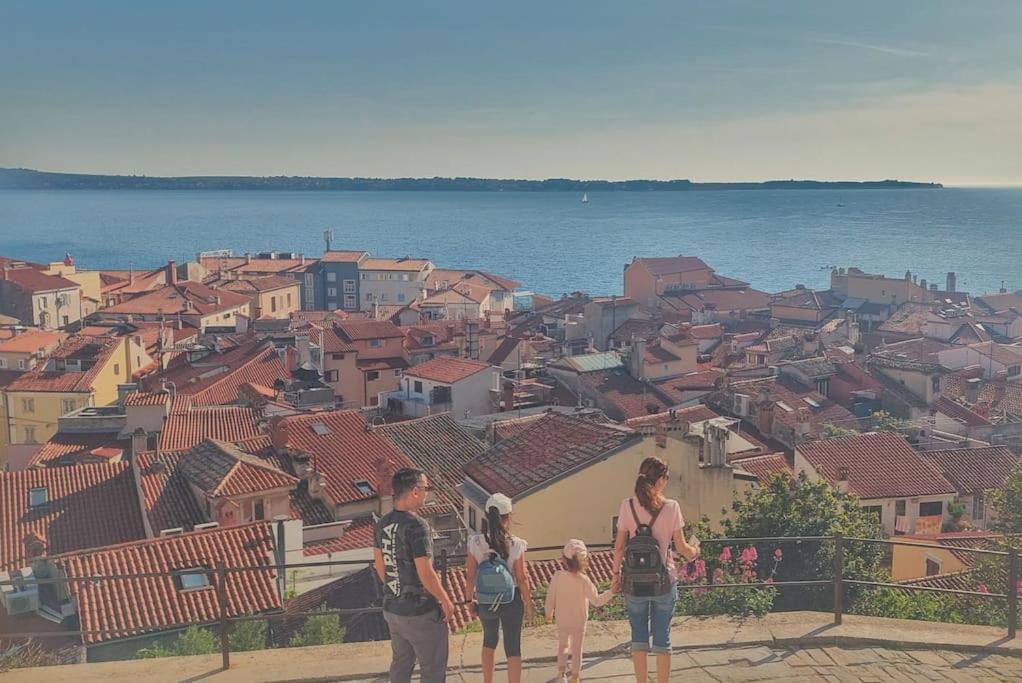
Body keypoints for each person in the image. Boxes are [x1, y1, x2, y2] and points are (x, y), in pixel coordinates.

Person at [611, 456, 700, 683]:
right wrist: (695, 550)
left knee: (638, 635)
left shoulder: (627, 505)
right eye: (666, 478)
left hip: (633, 581)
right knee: (662, 636)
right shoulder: (671, 507)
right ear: (660, 480)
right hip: (664, 581)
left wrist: (615, 576)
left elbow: (619, 546)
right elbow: (681, 548)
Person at [373, 468, 456, 683]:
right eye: (426, 488)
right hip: (420, 612)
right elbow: (425, 571)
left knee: (401, 664)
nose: (428, 492)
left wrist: (395, 590)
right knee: (432, 670)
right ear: (414, 491)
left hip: (393, 609)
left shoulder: (382, 523)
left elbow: (379, 565)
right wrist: (444, 599)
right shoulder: (417, 526)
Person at [465, 493, 533, 683]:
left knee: (489, 641)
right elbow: (521, 578)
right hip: (511, 600)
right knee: (513, 647)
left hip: (486, 600)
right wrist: (528, 603)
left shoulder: (476, 542)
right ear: (509, 517)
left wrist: (469, 601)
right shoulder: (516, 544)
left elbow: (470, 576)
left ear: (487, 515)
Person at [545, 539, 619, 683]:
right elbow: (596, 600)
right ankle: (575, 676)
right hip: (579, 622)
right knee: (577, 649)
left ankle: (561, 674)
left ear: (563, 559)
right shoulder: (584, 580)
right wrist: (612, 592)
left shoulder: (558, 577)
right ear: (584, 561)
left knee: (563, 645)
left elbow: (550, 597)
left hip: (562, 619)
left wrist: (549, 613)